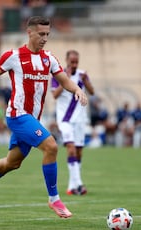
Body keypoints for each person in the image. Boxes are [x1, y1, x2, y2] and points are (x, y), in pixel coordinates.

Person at [0, 16, 88, 218]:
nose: (45, 38)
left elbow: (64, 80)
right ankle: (54, 199)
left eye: (48, 34)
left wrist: (77, 90)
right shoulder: (13, 56)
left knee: (11, 163)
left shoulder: (49, 59)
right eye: (41, 34)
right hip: (17, 115)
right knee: (51, 146)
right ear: (29, 32)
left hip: (32, 119)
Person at [51, 50, 94, 196]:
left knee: (79, 152)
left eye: (76, 62)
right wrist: (65, 80)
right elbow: (55, 95)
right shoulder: (59, 74)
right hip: (65, 120)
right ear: (67, 60)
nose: (74, 64)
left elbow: (92, 92)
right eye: (72, 62)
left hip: (80, 119)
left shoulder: (82, 74)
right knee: (71, 149)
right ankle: (80, 183)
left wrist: (86, 80)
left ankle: (72, 186)